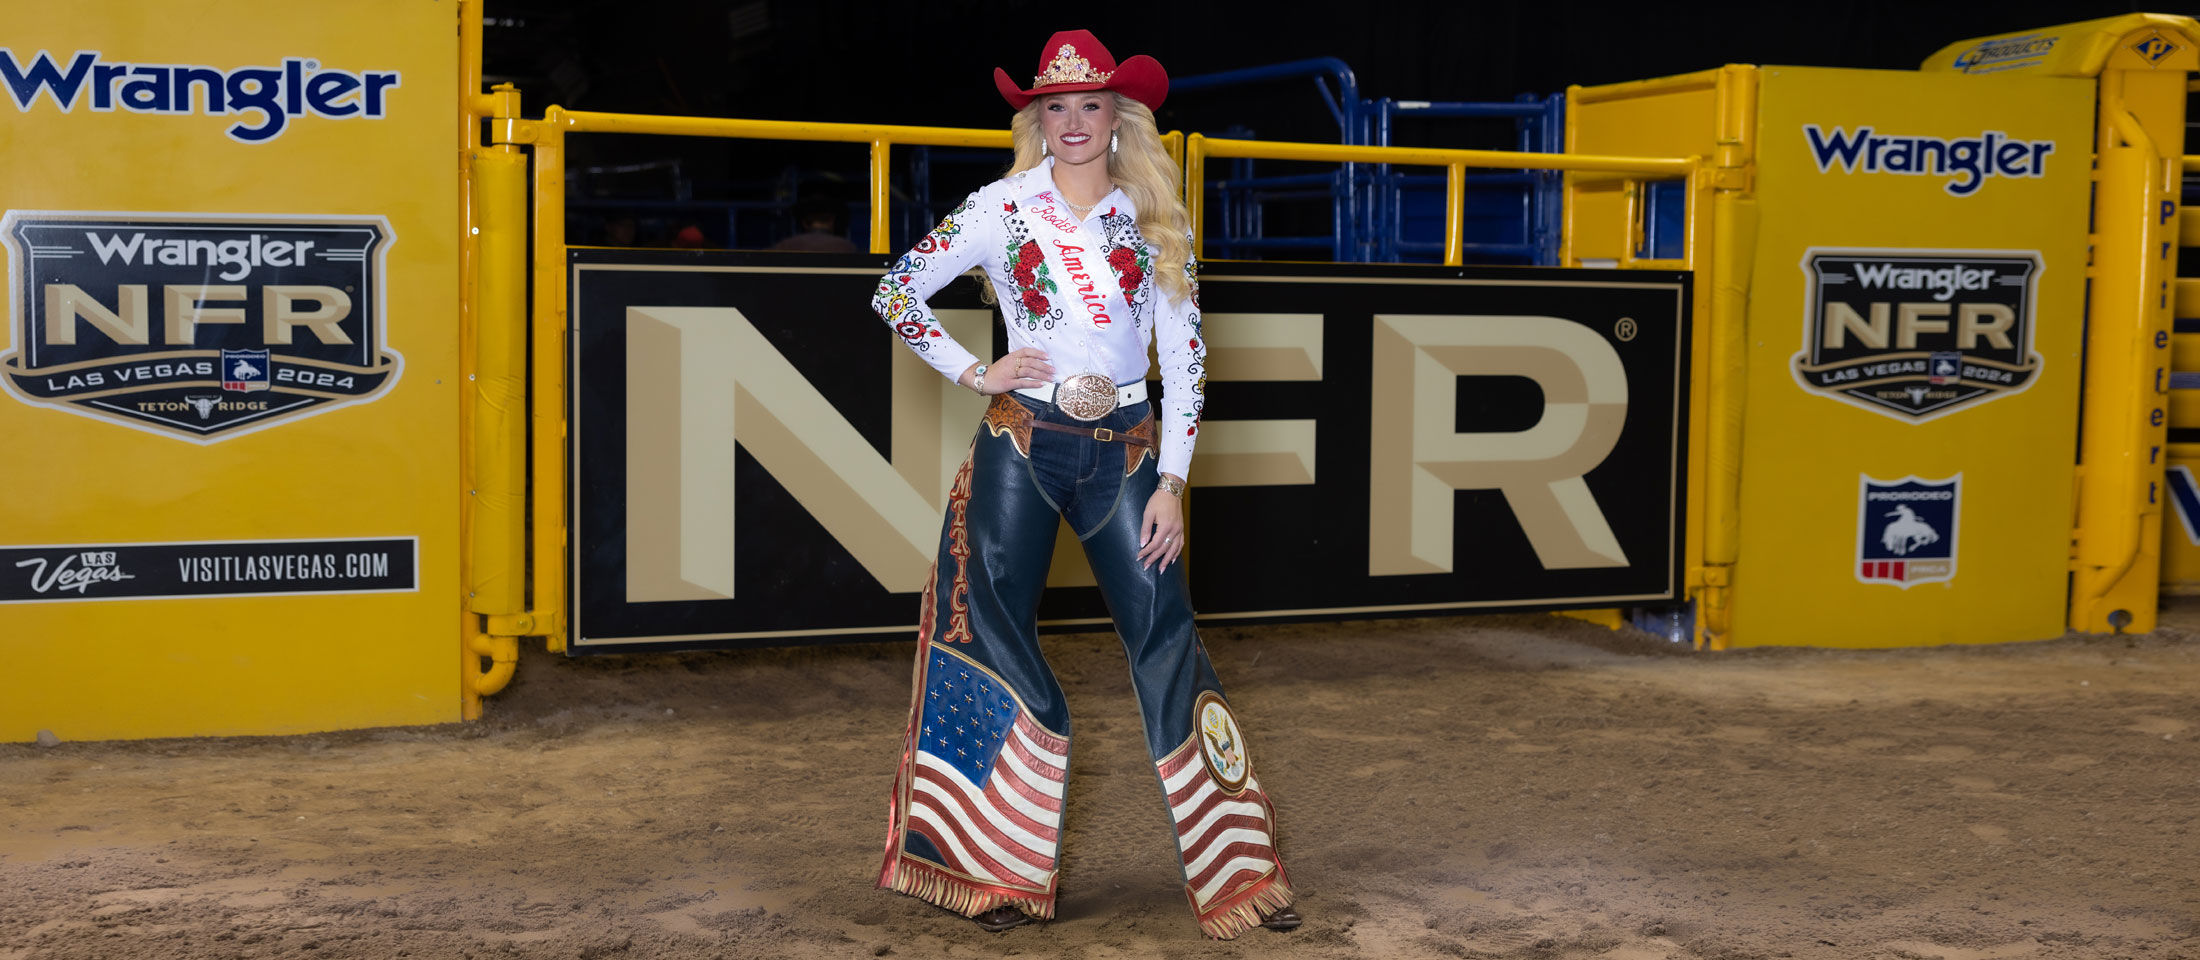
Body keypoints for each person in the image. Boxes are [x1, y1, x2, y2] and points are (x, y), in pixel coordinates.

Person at [871, 29, 1297, 940]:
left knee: (1166, 638)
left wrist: (1173, 483)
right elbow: (899, 289)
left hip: (1129, 456)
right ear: (1039, 119)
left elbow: (1186, 364)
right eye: (1052, 107)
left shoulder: (1154, 216)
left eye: (1089, 105)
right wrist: (973, 369)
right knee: (992, 634)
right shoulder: (999, 205)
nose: (1071, 122)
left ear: (1119, 117)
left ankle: (1240, 876)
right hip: (1022, 444)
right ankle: (995, 874)